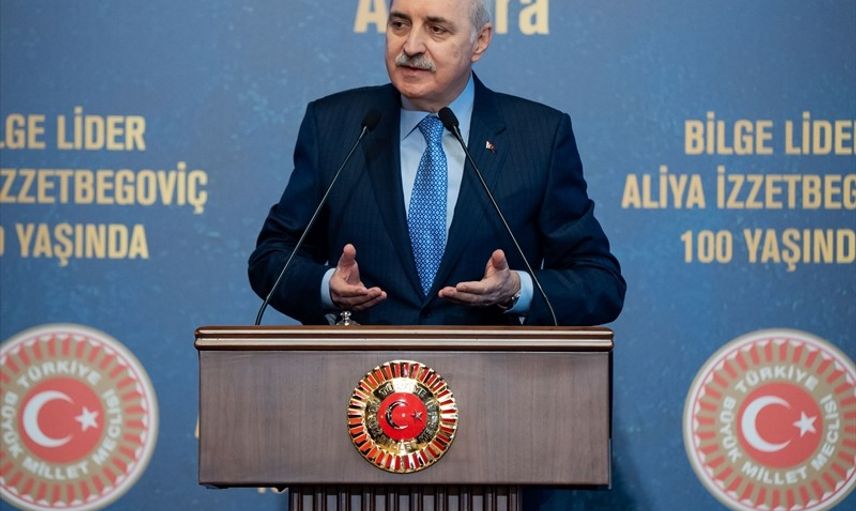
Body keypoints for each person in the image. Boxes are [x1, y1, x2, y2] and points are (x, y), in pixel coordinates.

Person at [249, 0, 625, 326]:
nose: (411, 46)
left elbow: (599, 281)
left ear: (480, 41)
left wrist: (516, 290)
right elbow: (272, 257)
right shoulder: (335, 125)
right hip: (360, 378)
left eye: (436, 29)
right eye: (400, 24)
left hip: (492, 378)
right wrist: (326, 288)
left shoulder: (539, 137)